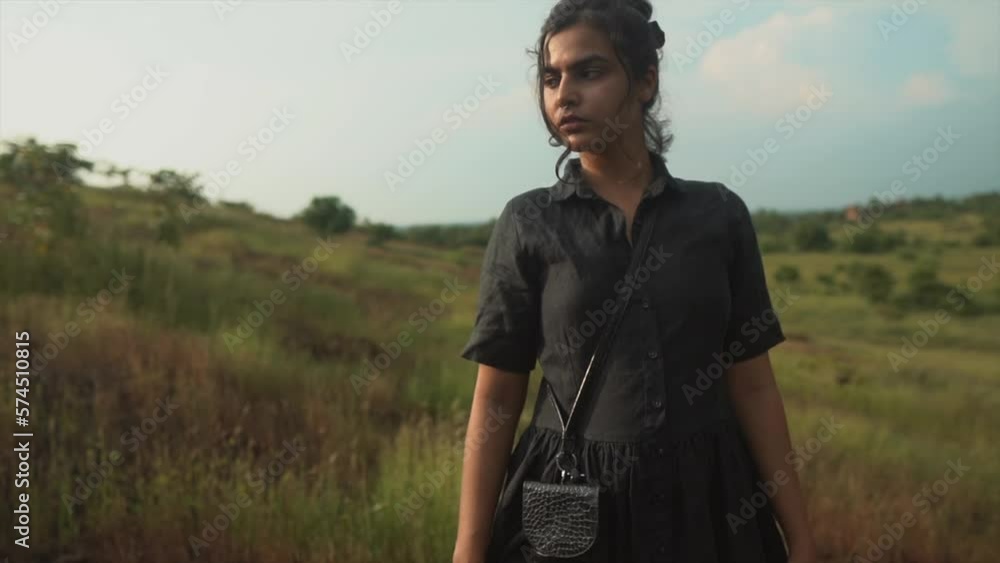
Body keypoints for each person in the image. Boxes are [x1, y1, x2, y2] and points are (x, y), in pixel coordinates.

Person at [452, 1, 818, 562]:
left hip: (711, 500)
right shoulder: (529, 222)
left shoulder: (718, 214)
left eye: (589, 71)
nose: (563, 94)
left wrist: (802, 537)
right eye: (551, 78)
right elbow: (497, 396)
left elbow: (754, 385)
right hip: (572, 502)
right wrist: (469, 549)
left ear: (646, 80)